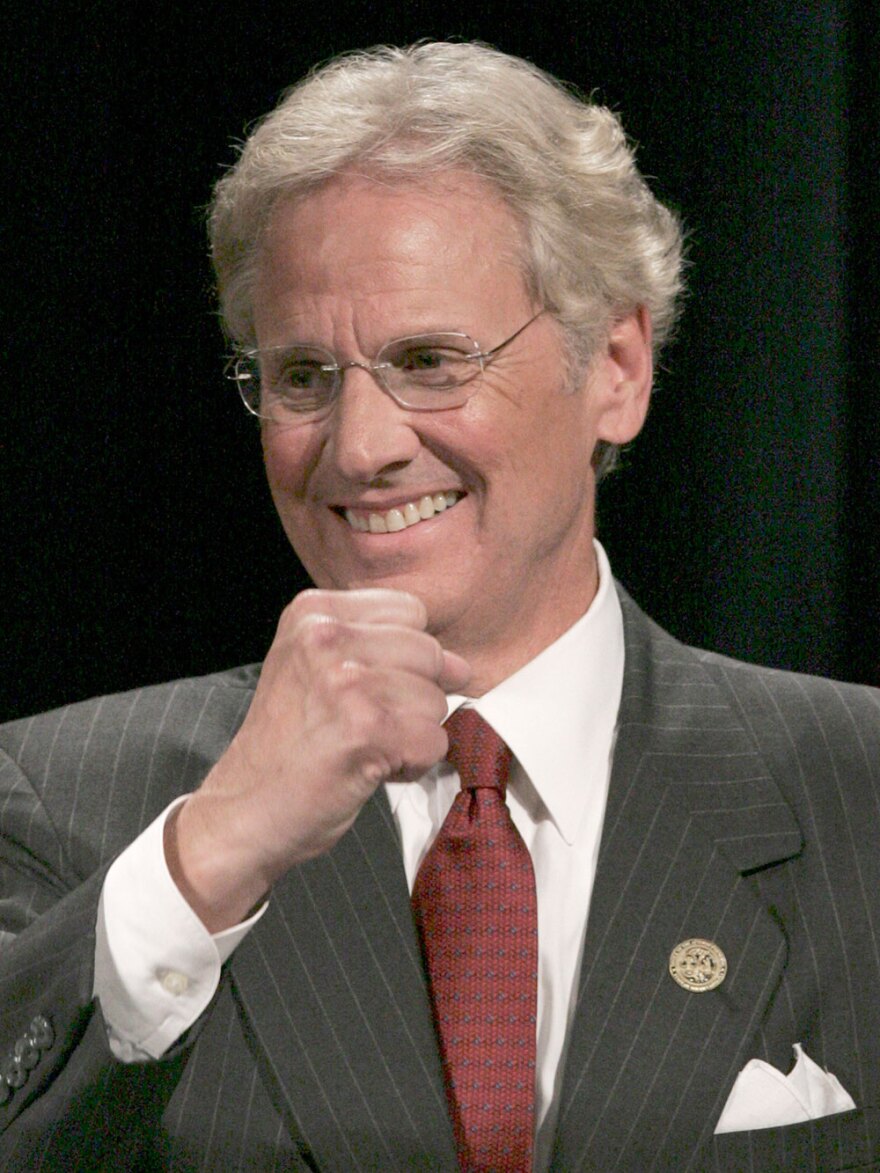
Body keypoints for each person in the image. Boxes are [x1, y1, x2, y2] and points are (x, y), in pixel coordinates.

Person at [1, 41, 878, 1173]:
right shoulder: (62, 802)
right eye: (304, 377)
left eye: (429, 360)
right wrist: (212, 855)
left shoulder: (858, 794)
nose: (361, 448)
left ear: (614, 368)